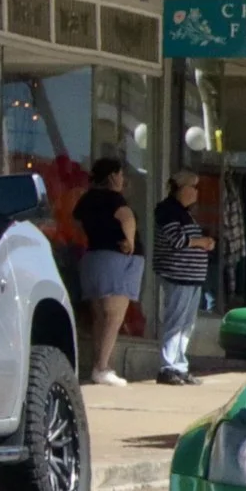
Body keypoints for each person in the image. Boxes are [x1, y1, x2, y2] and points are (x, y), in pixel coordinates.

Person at [75, 157, 141, 386]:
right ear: (113, 175)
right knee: (114, 315)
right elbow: (126, 216)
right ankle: (102, 367)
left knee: (99, 316)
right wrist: (130, 240)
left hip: (93, 257)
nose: (123, 179)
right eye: (121, 174)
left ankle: (99, 364)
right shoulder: (115, 198)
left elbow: (77, 223)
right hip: (117, 259)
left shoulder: (87, 199)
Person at [152, 171, 214, 386]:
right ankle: (168, 367)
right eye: (193, 187)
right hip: (177, 275)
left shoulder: (186, 213)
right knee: (175, 321)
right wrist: (201, 242)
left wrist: (203, 242)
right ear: (181, 188)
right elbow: (177, 240)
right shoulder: (168, 210)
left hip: (191, 277)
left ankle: (180, 365)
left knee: (187, 324)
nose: (196, 192)